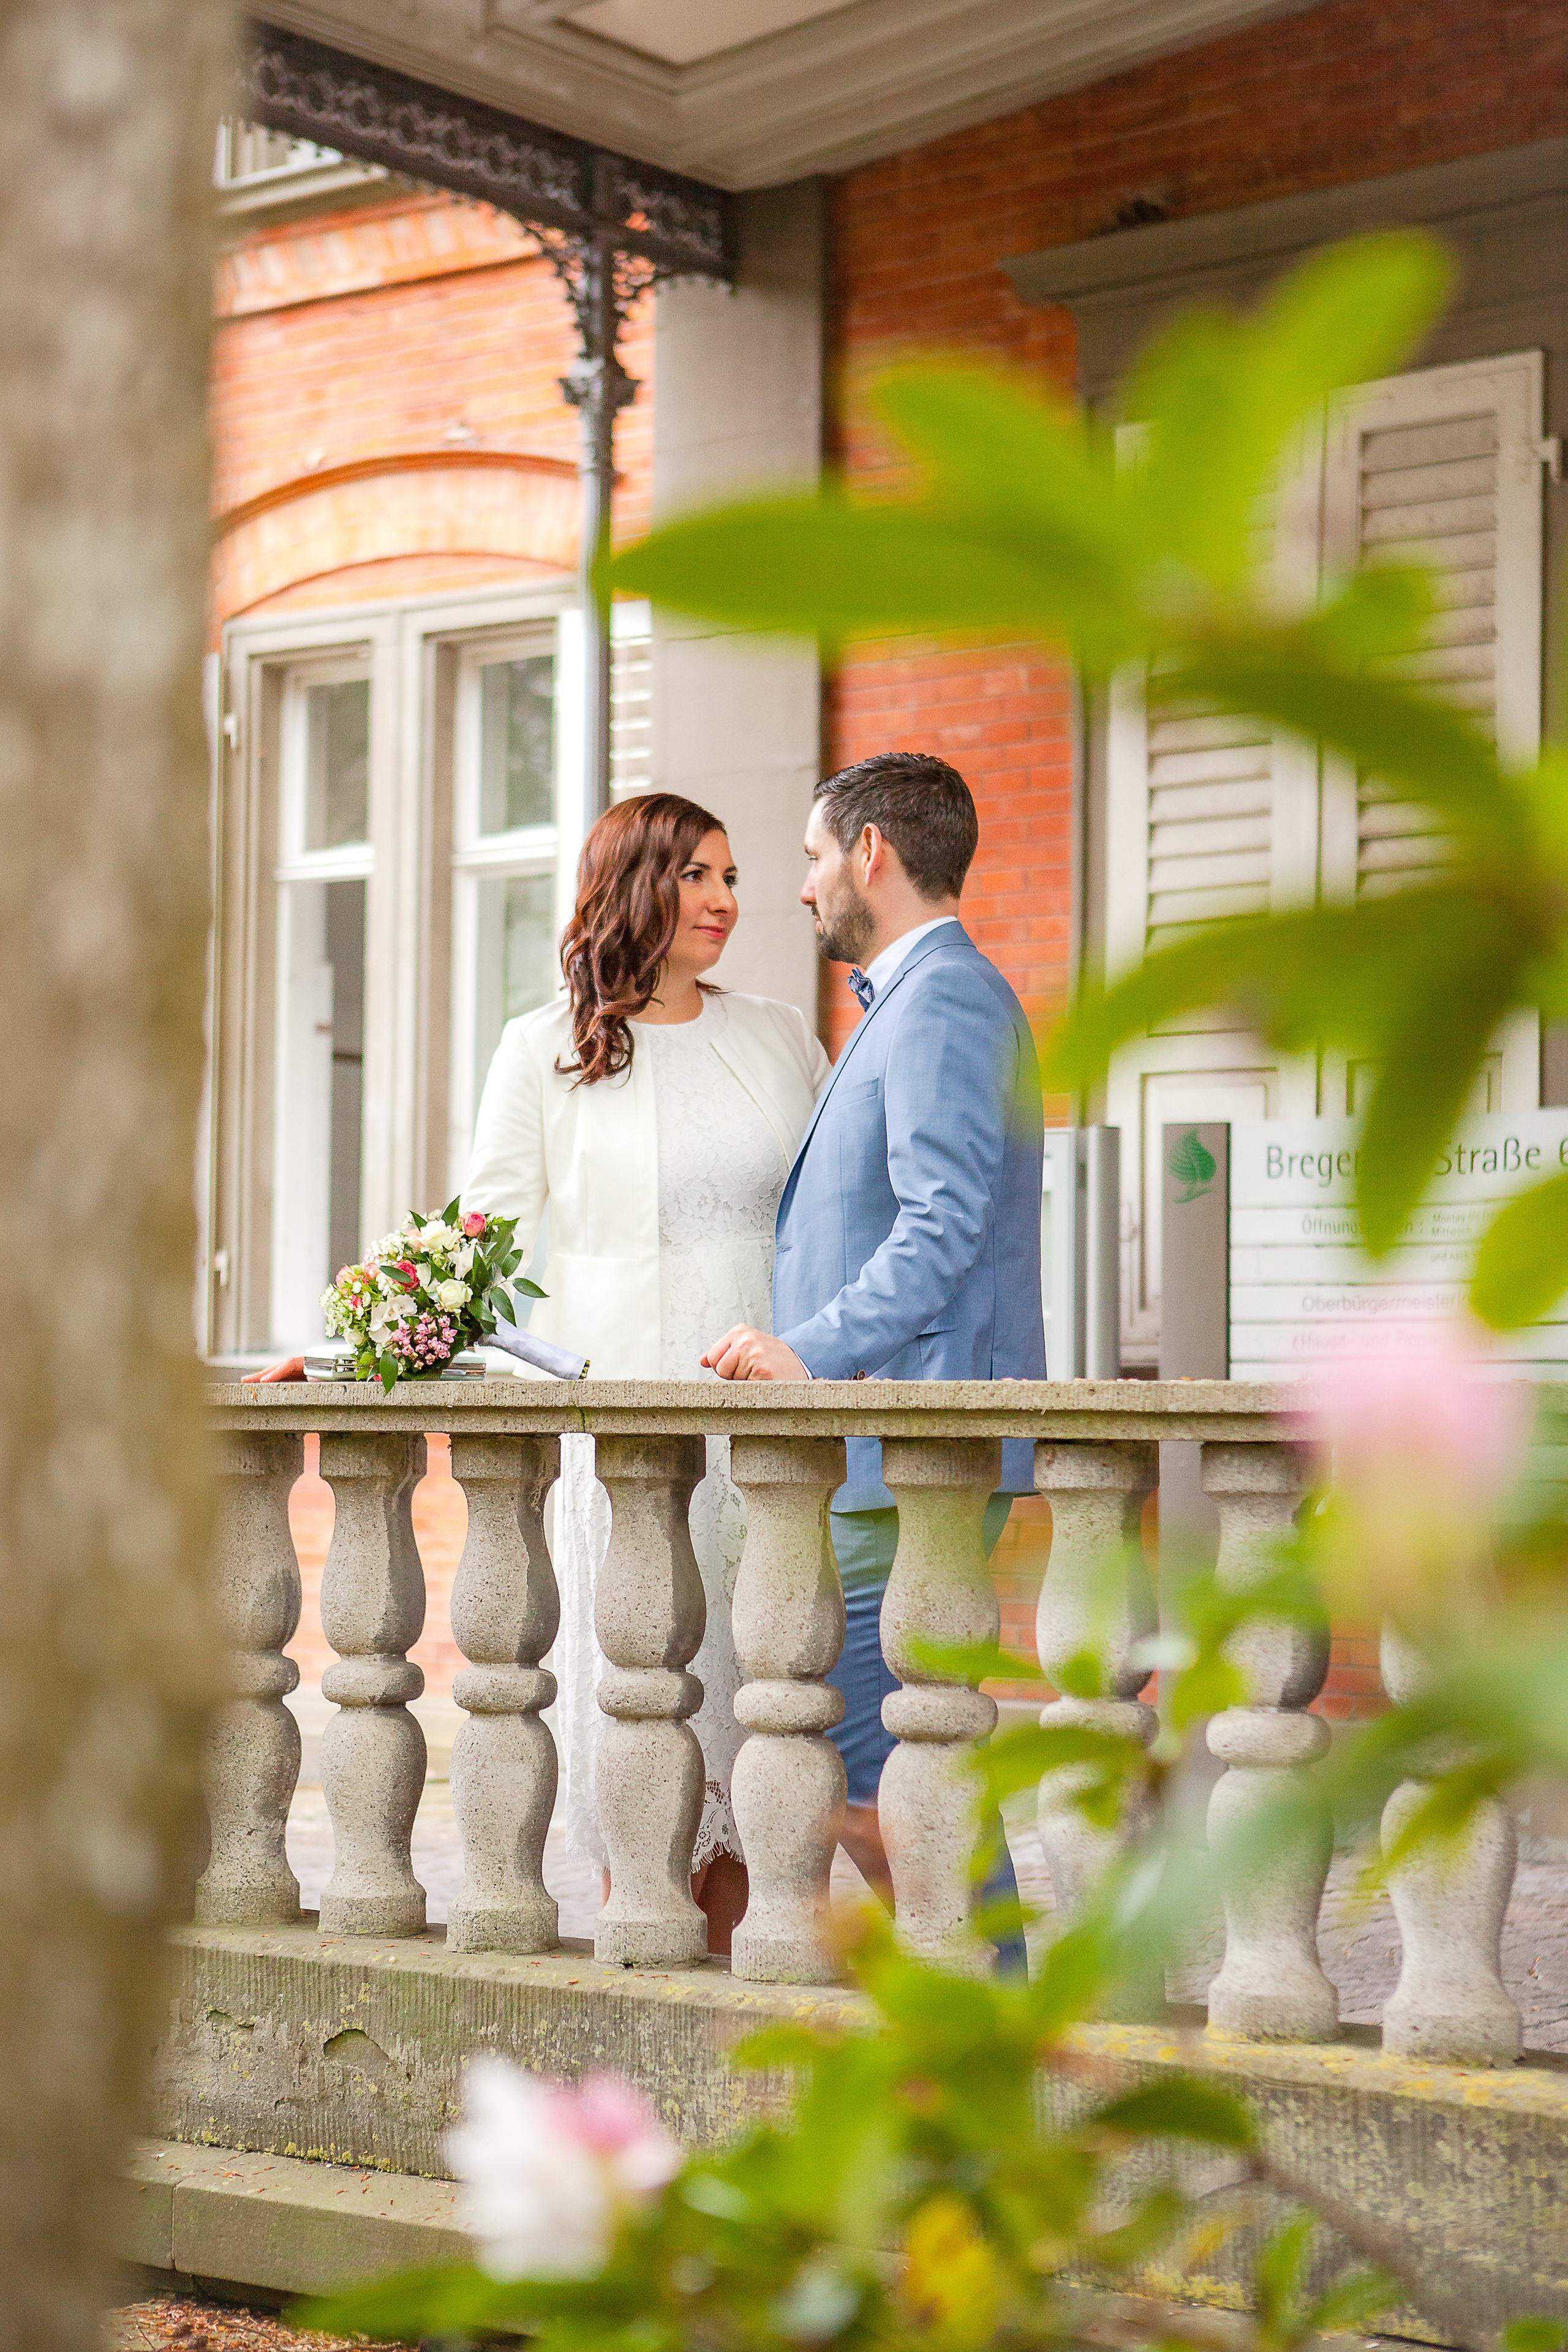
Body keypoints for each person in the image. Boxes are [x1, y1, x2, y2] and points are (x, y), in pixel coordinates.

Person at [460, 793, 829, 1954]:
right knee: (647, 1712)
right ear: (636, 885)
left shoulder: (778, 1034)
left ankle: (746, 1994)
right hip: (623, 1448)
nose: (728, 900)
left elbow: (830, 1225)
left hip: (765, 1432)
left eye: (734, 876)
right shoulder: (542, 1048)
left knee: (757, 1713)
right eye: (699, 878)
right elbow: (488, 1257)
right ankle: (649, 1979)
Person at [703, 751, 1046, 1966]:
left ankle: (987, 2004)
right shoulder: (913, 999)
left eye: (807, 856)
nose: (798, 889)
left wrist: (809, 1349)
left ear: (869, 855)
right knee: (888, 1753)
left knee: (870, 1748)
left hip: (901, 1452)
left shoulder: (943, 999)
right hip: (875, 1451)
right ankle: (969, 2012)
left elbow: (941, 1223)